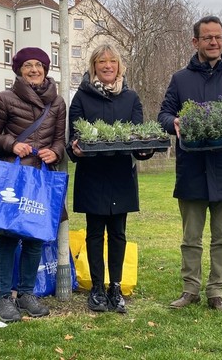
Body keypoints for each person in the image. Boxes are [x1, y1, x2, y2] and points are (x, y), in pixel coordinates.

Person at [157, 15, 222, 312]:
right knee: (191, 237)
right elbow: (164, 114)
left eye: (218, 37)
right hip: (191, 168)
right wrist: (174, 122)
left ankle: (216, 292)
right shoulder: (180, 79)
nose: (214, 42)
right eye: (207, 38)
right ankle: (190, 289)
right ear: (196, 42)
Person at [67, 44, 153, 313]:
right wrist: (76, 149)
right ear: (93, 66)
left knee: (118, 233)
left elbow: (140, 138)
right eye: (101, 61)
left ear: (119, 66)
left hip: (120, 176)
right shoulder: (81, 98)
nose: (107, 66)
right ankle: (96, 288)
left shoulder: (131, 98)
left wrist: (145, 148)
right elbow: (73, 140)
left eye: (112, 62)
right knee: (94, 234)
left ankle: (115, 287)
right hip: (92, 176)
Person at [0, 47, 67, 322]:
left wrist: (55, 152)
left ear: (46, 69)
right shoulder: (4, 99)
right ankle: (4, 297)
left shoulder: (57, 103)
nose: (34, 70)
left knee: (35, 238)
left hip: (41, 180)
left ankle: (27, 294)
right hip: (15, 177)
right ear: (19, 70)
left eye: (39, 65)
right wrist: (12, 144)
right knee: (9, 237)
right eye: (28, 65)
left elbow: (59, 140)